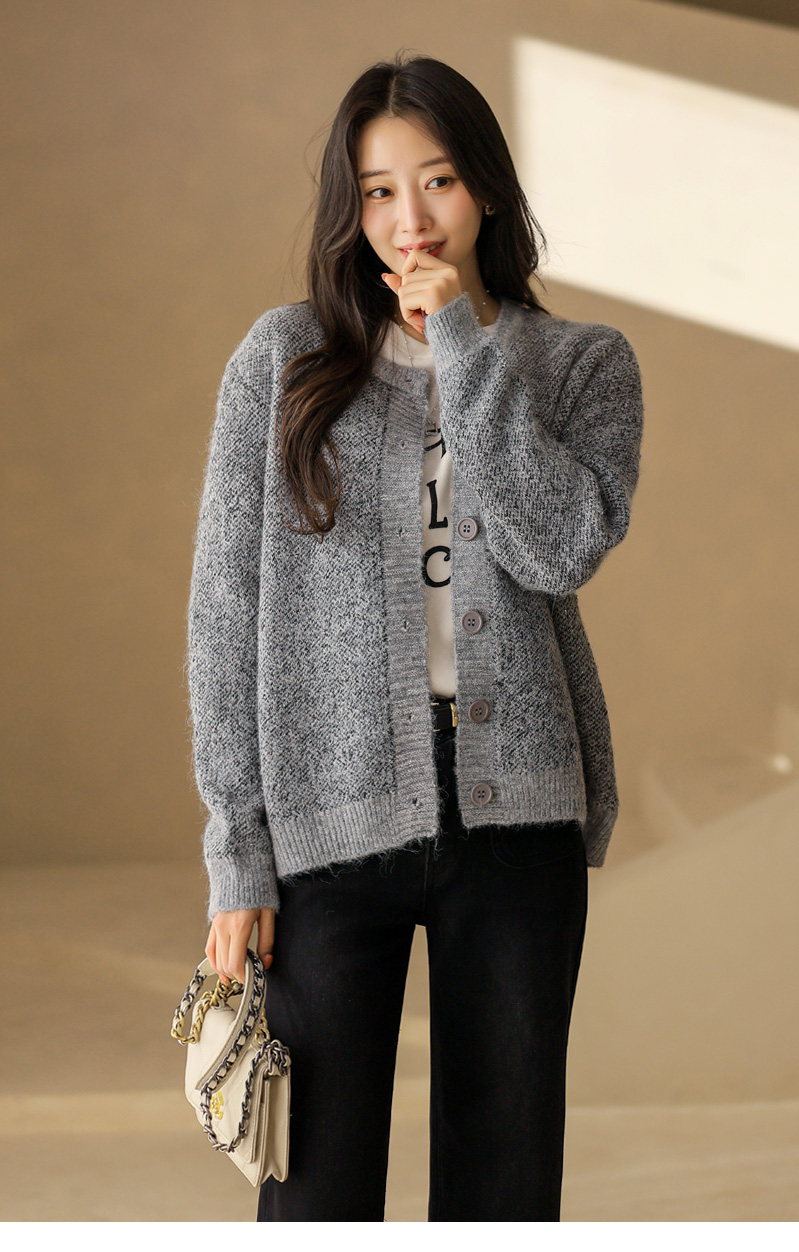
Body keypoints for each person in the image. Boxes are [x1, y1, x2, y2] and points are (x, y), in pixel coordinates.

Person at [186, 51, 644, 1222]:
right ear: (349, 207)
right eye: (379, 190)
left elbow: (558, 547)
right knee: (315, 1192)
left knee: (503, 1191)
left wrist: (465, 350)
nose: (410, 219)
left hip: (518, 822)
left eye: (436, 181)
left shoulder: (580, 365)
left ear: (484, 185)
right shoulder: (281, 362)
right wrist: (237, 855)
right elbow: (224, 616)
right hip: (327, 816)